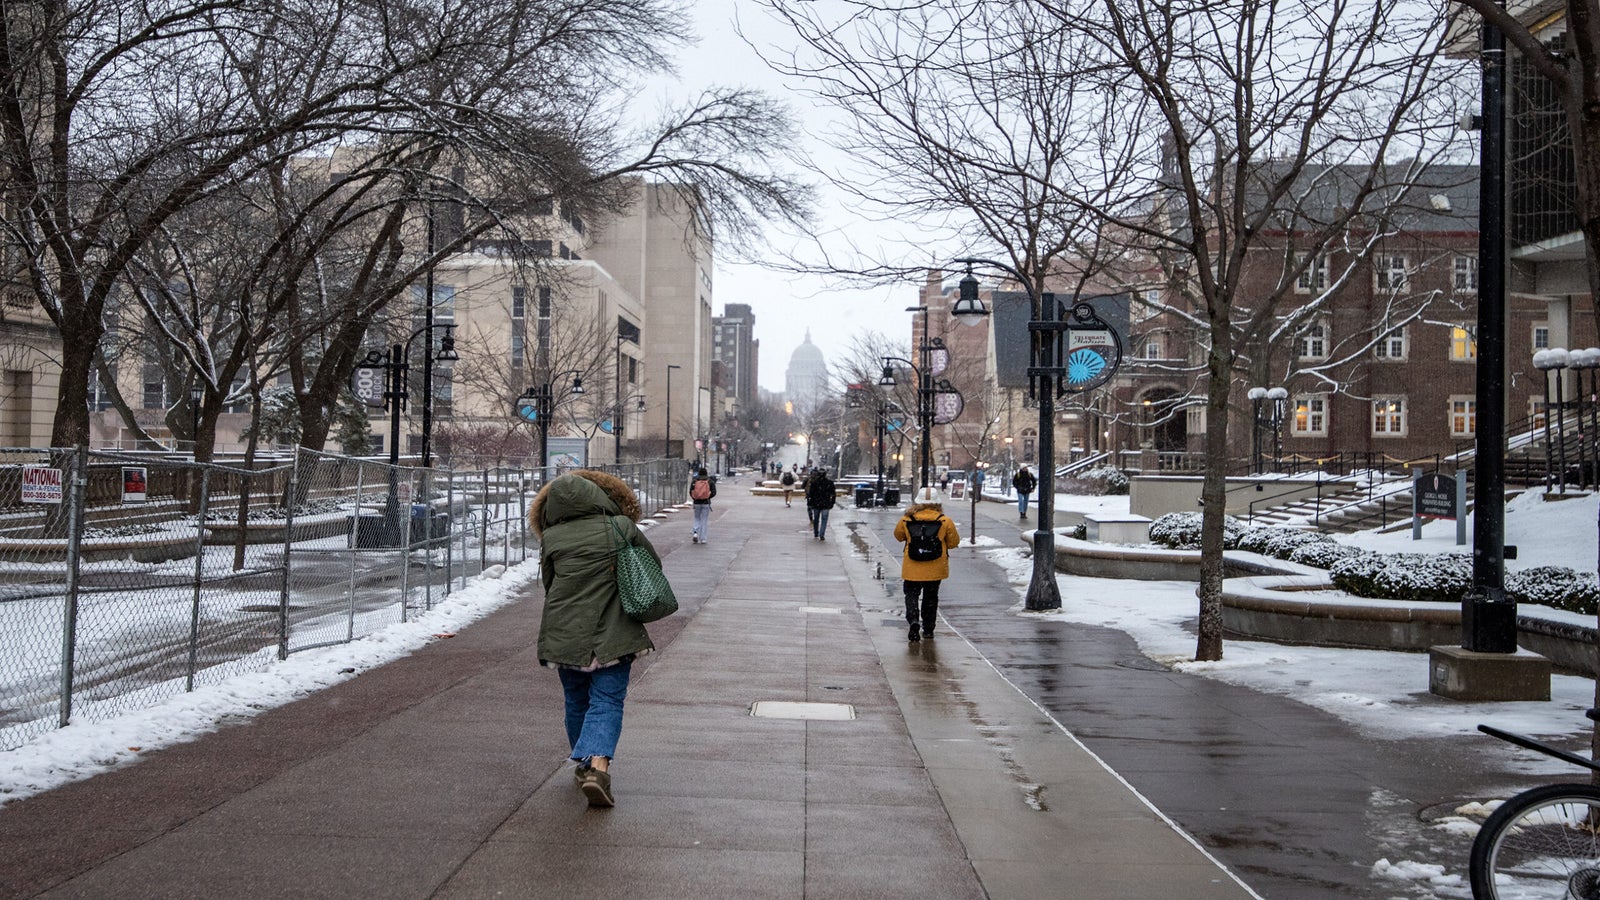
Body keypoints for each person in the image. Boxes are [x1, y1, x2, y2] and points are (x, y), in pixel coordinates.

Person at [529, 469, 656, 808]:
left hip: (563, 635)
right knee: (607, 701)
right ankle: (598, 766)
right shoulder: (620, 527)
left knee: (576, 700)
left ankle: (584, 763)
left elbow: (550, 583)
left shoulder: (551, 538)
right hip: (612, 632)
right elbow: (651, 565)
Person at [894, 487, 961, 641]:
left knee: (911, 595)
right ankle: (929, 628)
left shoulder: (907, 519)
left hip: (912, 566)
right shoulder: (944, 521)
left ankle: (913, 620)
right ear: (937, 503)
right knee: (931, 598)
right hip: (935, 567)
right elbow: (953, 542)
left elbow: (898, 536)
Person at [806, 467, 836, 540]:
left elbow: (811, 494)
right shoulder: (829, 483)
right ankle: (821, 534)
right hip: (825, 503)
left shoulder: (814, 483)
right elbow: (833, 493)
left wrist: (810, 502)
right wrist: (832, 502)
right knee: (824, 519)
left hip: (816, 503)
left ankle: (816, 532)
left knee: (816, 519)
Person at [689, 466, 716, 543]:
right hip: (706, 503)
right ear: (706, 473)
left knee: (697, 518)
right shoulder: (710, 481)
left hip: (697, 502)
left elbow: (691, 491)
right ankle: (703, 538)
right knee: (704, 520)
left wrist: (695, 498)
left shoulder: (694, 481)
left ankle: (695, 532)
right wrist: (708, 497)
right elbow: (714, 492)